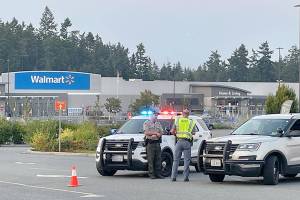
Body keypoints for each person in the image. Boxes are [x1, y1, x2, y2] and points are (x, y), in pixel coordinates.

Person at [171, 109, 196, 182]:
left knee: (176, 160)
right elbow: (193, 132)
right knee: (186, 160)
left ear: (182, 113)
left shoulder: (177, 120)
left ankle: (173, 177)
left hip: (179, 141)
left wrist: (176, 134)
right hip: (187, 142)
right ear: (188, 114)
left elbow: (172, 131)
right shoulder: (191, 122)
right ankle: (185, 177)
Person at [143, 110, 164, 179]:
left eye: (156, 115)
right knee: (151, 160)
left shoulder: (158, 123)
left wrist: (158, 135)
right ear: (151, 115)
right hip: (150, 143)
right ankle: (151, 174)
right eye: (154, 115)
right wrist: (155, 134)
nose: (156, 116)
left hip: (157, 143)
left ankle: (158, 174)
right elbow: (146, 132)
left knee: (158, 159)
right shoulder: (147, 123)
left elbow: (161, 132)